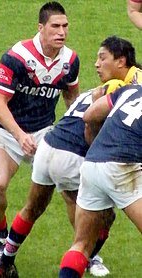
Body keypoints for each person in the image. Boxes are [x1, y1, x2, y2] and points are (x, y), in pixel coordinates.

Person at [0, 2, 80, 277]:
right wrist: (19, 135)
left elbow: (71, 97)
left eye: (65, 26)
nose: (62, 32)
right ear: (41, 28)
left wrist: (72, 131)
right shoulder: (16, 56)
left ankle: (85, 250)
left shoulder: (70, 60)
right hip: (7, 131)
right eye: (55, 26)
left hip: (45, 133)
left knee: (70, 191)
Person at [0, 80, 124, 278]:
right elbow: (90, 132)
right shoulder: (118, 94)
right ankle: (85, 259)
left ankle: (4, 262)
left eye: (102, 59)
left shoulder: (96, 90)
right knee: (102, 220)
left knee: (32, 208)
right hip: (71, 157)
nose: (97, 64)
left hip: (48, 147)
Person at [59, 83, 142, 278]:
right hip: (123, 168)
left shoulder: (131, 89)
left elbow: (89, 115)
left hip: (93, 163)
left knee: (82, 244)